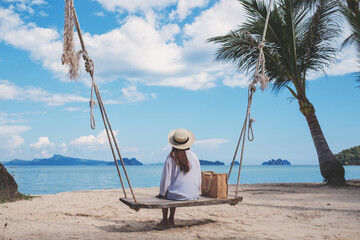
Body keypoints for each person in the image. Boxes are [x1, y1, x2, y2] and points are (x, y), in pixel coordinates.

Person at [156, 128, 201, 226]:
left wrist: (161, 193)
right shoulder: (194, 156)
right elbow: (198, 177)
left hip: (177, 196)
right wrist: (197, 191)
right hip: (193, 194)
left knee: (167, 193)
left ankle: (165, 220)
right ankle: (171, 218)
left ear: (173, 143)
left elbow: (166, 180)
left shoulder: (171, 157)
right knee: (173, 189)